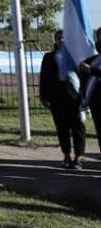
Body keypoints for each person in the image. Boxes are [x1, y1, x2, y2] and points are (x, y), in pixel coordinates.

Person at [41, 30, 86, 169]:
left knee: (78, 127)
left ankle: (78, 157)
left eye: (64, 38)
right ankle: (66, 156)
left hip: (74, 96)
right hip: (57, 95)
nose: (62, 40)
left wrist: (84, 95)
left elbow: (83, 76)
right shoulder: (49, 57)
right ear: (55, 40)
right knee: (62, 127)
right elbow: (44, 78)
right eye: (59, 38)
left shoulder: (75, 57)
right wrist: (45, 96)